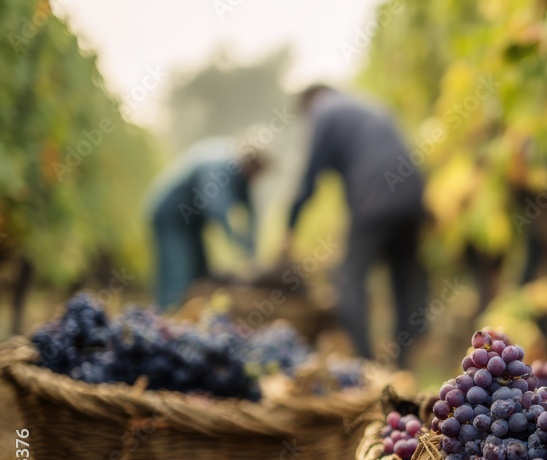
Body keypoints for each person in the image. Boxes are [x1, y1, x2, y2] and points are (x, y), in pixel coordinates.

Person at [284, 84, 427, 367]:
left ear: (309, 103)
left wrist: (290, 227)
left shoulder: (323, 112)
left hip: (375, 198)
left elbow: (309, 179)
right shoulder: (368, 106)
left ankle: (365, 363)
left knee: (348, 277)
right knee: (404, 277)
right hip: (412, 194)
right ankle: (404, 364)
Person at [147, 138, 267, 310]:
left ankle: (188, 318)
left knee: (200, 273)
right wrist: (237, 245)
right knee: (179, 270)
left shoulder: (242, 179)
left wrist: (252, 253)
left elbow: (251, 215)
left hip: (191, 224)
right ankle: (167, 317)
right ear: (252, 162)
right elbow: (217, 207)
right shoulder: (220, 165)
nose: (258, 178)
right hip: (171, 216)